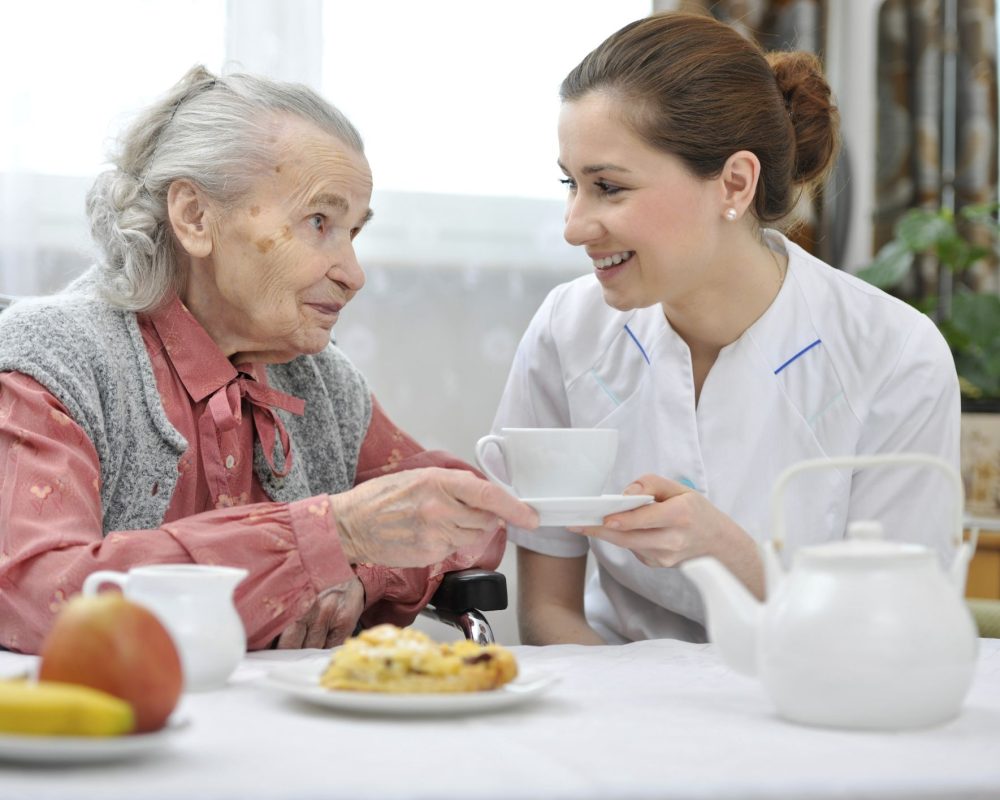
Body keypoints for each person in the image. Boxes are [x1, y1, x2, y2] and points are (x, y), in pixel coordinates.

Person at [0, 65, 538, 654]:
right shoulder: (52, 361)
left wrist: (361, 569)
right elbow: (35, 594)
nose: (352, 274)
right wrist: (331, 535)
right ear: (195, 218)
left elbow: (470, 516)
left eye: (353, 232)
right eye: (318, 222)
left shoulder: (319, 378)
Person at [489, 12, 961, 645]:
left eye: (608, 186)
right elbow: (551, 615)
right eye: (570, 184)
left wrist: (727, 551)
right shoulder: (567, 329)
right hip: (611, 703)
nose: (574, 224)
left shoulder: (896, 356)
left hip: (814, 706)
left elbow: (895, 628)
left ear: (734, 182)